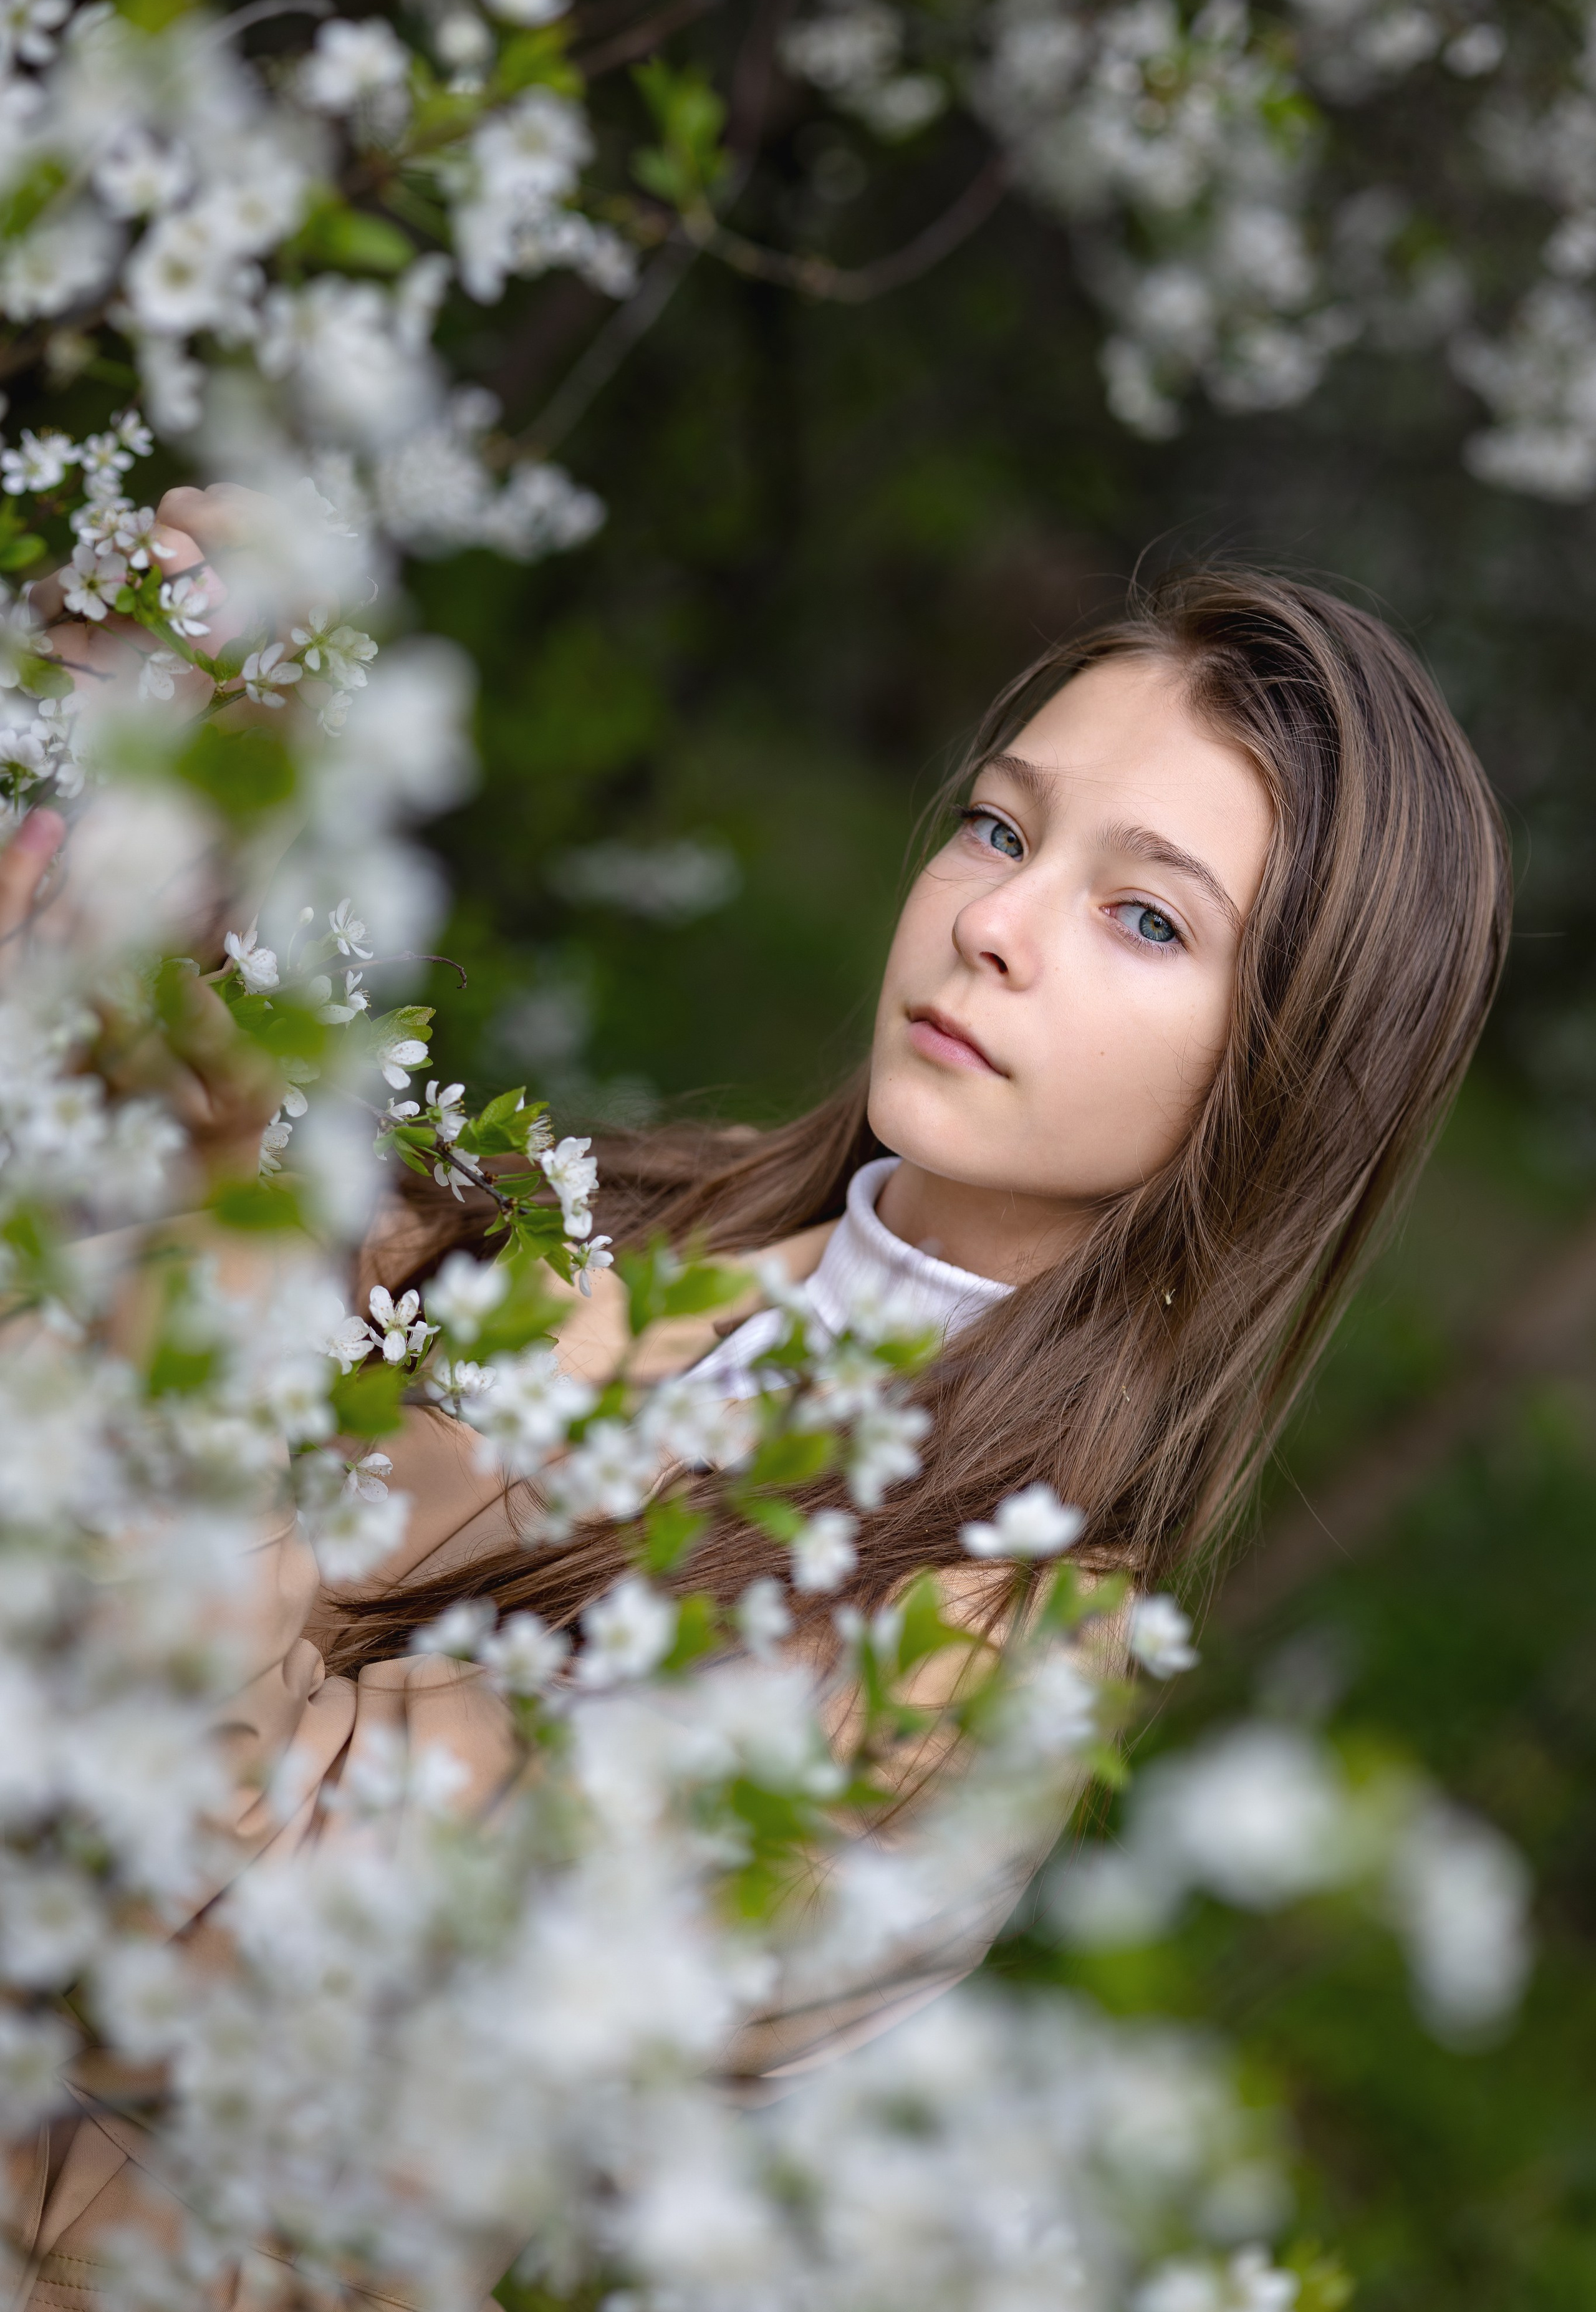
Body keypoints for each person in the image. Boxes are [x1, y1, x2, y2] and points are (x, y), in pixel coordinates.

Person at [5, 502, 1512, 2305]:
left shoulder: (986, 1647)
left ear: (1287, 1081)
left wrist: (229, 1224)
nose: (998, 924)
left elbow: (211, 1927)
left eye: (1141, 916)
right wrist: (144, 741)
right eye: (995, 826)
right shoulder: (638, 1218)